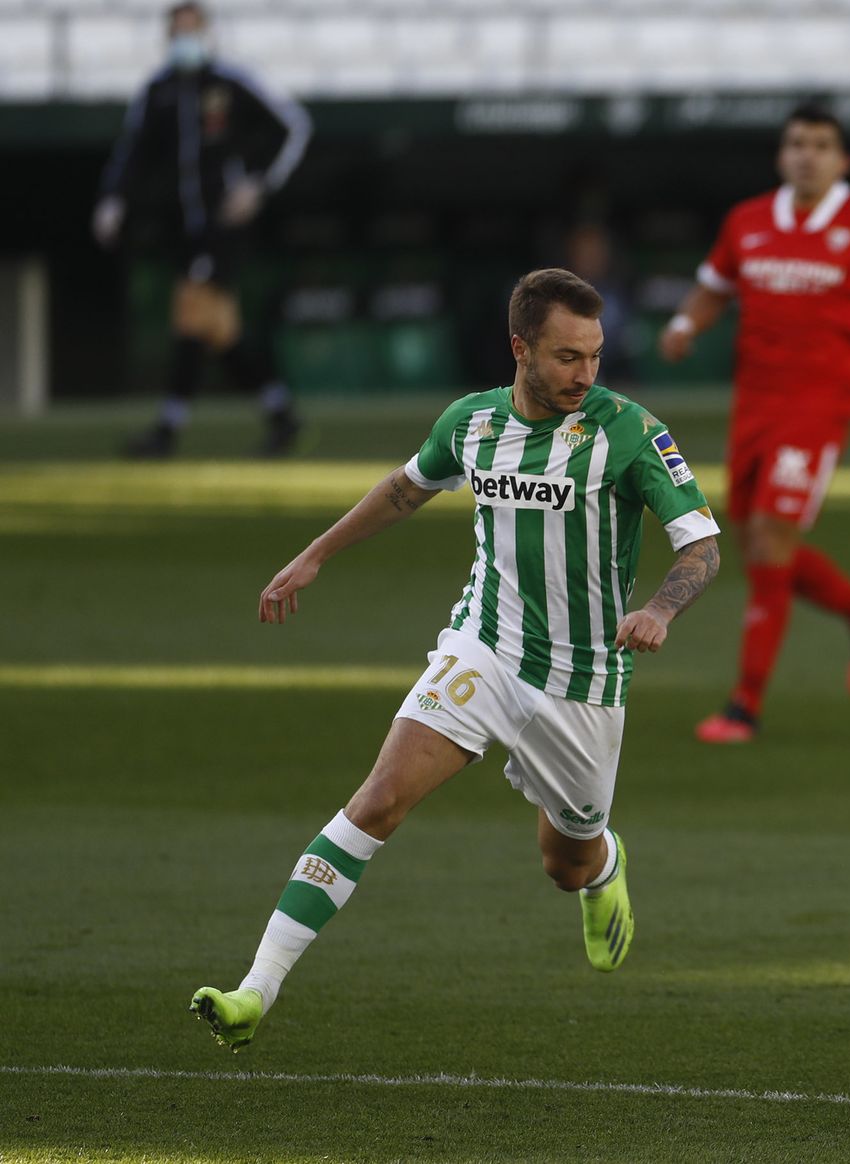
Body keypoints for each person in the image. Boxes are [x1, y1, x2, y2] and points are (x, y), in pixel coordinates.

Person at [190, 269, 721, 1050]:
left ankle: (603, 863)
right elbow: (405, 489)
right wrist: (315, 555)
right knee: (376, 802)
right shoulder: (470, 424)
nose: (586, 373)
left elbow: (702, 545)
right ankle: (253, 994)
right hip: (484, 647)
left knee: (562, 863)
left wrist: (659, 608)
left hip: (584, 678)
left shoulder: (629, 432)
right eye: (568, 356)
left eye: (595, 356)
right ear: (521, 349)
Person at [657, 102, 850, 744]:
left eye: (821, 144)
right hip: (755, 402)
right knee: (758, 545)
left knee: (770, 538)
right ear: (781, 154)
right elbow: (715, 285)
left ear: (842, 160)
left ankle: (745, 704)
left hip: (820, 405)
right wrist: (686, 323)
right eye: (797, 143)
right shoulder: (749, 220)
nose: (806, 154)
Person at [93, 0, 312, 458]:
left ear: (206, 34)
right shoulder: (158, 91)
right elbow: (133, 152)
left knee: (191, 315)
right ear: (167, 37)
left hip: (223, 227)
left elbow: (292, 126)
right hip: (184, 229)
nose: (185, 41)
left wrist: (257, 185)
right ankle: (282, 415)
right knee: (220, 331)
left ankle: (167, 431)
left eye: (192, 30)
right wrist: (115, 199)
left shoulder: (229, 84)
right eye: (178, 32)